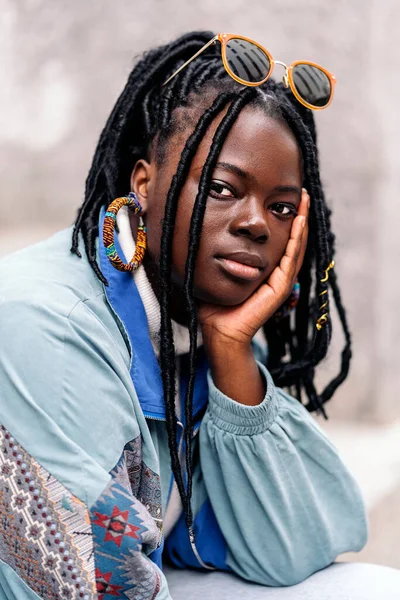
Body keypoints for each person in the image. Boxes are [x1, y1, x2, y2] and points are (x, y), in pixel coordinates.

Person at [0, 30, 399, 600]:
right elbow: (92, 584)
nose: (256, 223)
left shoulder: (193, 327)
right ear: (144, 183)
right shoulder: (45, 331)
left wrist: (233, 356)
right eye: (221, 187)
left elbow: (296, 549)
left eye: (282, 207)